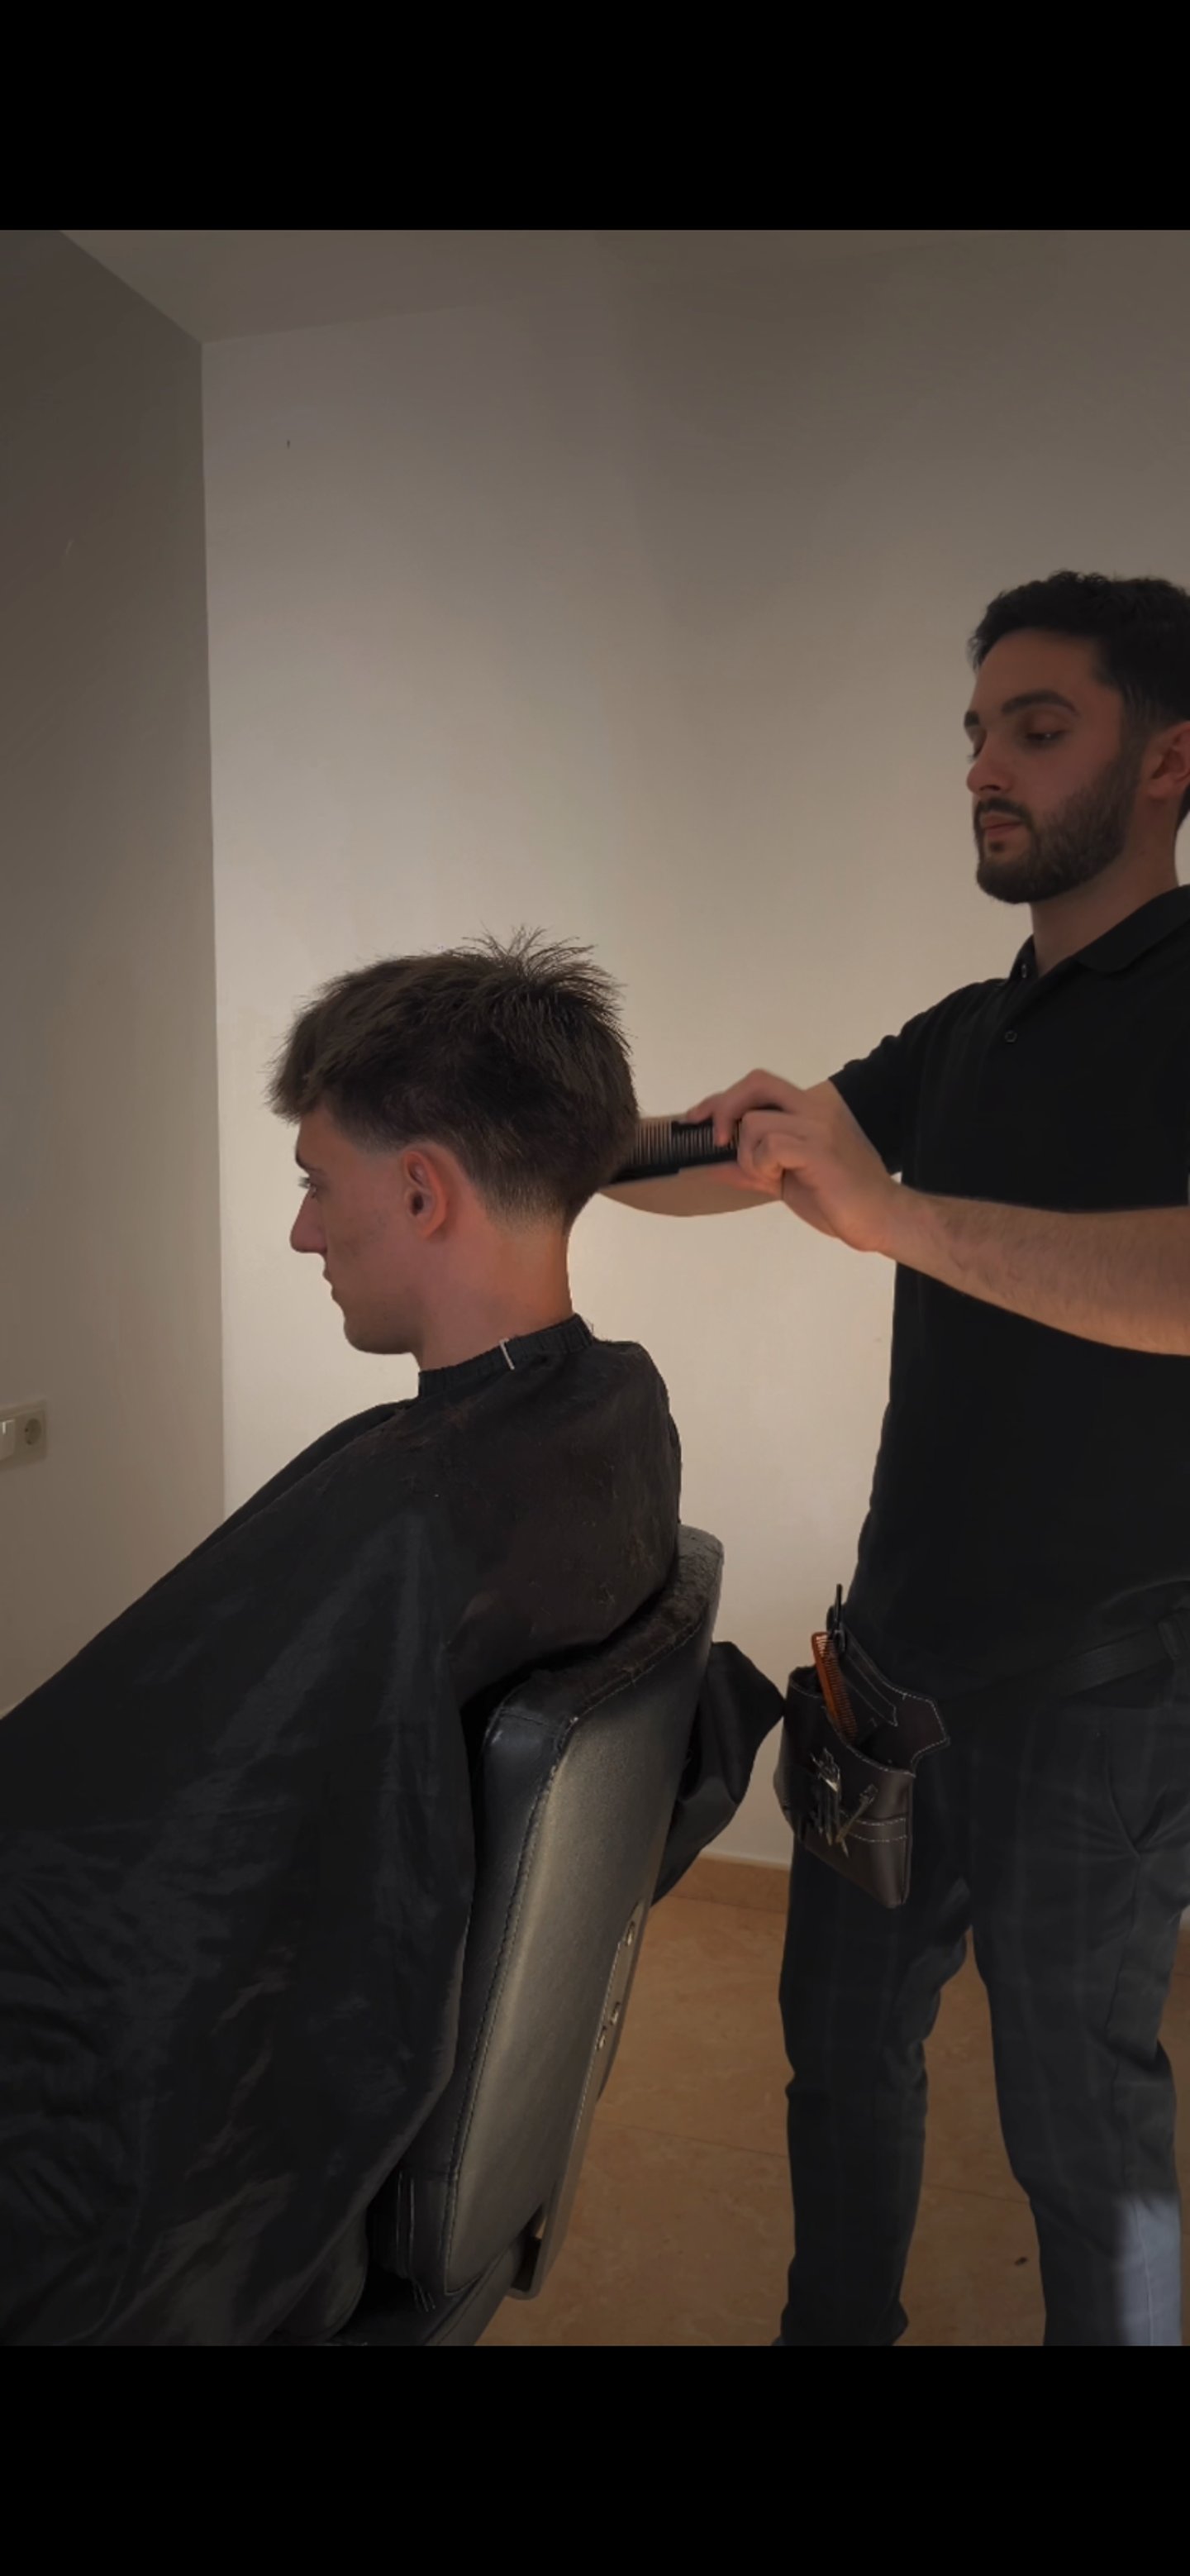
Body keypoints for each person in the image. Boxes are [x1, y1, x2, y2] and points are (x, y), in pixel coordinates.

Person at [610, 573, 1190, 2348]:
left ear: (1168, 762)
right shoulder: (967, 1029)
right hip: (889, 1674)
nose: (985, 768)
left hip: (1103, 1696)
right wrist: (551, 1144)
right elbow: (755, 1156)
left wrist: (898, 1216)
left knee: (1083, 2131)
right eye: (976, 733)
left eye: (1039, 727)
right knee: (841, 2051)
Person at [0, 934, 685, 2345]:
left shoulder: (416, 1514)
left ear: (423, 1190)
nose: (304, 1233)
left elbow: (124, 1895)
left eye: (317, 1181)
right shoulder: (615, 1411)